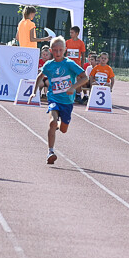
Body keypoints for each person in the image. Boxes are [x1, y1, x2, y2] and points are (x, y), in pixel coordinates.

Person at [35, 36, 88, 165]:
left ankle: (59, 125)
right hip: (53, 98)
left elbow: (85, 77)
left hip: (67, 101)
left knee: (63, 129)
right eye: (55, 50)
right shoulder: (49, 65)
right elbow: (39, 77)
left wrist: (73, 87)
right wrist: (33, 92)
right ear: (51, 51)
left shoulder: (69, 64)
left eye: (60, 50)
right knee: (52, 122)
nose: (58, 53)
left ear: (64, 50)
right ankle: (50, 152)